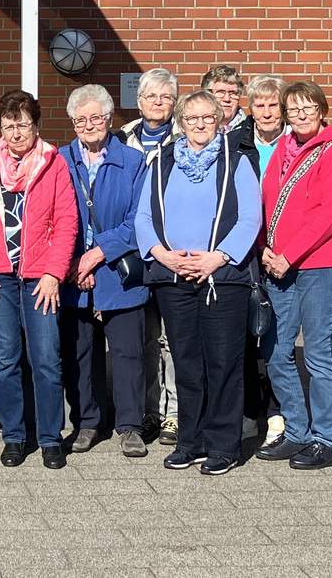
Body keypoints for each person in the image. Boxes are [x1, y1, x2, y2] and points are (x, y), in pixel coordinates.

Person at [134, 90, 261, 476]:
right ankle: (191, 441)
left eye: (208, 117)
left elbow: (250, 218)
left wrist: (216, 258)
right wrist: (163, 255)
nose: (200, 124)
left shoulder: (236, 161)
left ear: (220, 121)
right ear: (181, 123)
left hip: (222, 278)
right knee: (187, 364)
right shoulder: (162, 162)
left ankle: (223, 445)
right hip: (173, 279)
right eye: (192, 118)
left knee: (223, 363)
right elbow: (143, 217)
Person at [0, 90, 77, 470]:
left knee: (46, 358)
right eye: (8, 126)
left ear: (36, 125)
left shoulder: (53, 163)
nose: (16, 133)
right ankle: (14, 436)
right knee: (6, 359)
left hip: (41, 278)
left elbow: (67, 222)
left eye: (22, 124)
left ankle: (50, 437)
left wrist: (54, 273)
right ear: (0, 128)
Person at [255, 81, 332, 471]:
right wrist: (264, 247)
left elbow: (331, 211)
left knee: (318, 353)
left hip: (322, 264)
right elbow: (266, 204)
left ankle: (326, 438)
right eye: (293, 108)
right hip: (279, 263)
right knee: (276, 351)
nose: (300, 114)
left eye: (308, 107)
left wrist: (288, 254)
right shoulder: (282, 148)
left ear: (322, 110)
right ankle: (297, 430)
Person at [59, 85, 150, 458]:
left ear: (110, 119)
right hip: (72, 272)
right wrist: (75, 261)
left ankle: (130, 426)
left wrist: (97, 253)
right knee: (80, 354)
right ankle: (87, 421)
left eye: (95, 117)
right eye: (80, 119)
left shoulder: (133, 161)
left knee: (128, 353)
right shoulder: (60, 160)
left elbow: (139, 220)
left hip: (118, 269)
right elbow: (53, 218)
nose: (89, 125)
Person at [119, 67, 179, 446]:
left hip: (171, 250)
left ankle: (174, 414)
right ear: (139, 101)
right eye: (151, 96)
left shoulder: (185, 138)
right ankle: (148, 410)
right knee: (144, 336)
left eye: (166, 97)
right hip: (134, 251)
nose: (158, 102)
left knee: (171, 339)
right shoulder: (121, 139)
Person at [226, 73, 285, 447]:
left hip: (284, 250)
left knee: (279, 334)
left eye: (272, 105)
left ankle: (279, 410)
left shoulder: (294, 142)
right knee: (248, 331)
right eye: (259, 105)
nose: (266, 112)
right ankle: (250, 409)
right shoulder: (236, 143)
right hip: (247, 248)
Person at [202, 65, 247, 134]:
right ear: (207, 95)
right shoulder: (193, 128)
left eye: (232, 93)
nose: (227, 99)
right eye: (220, 92)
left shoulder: (252, 130)